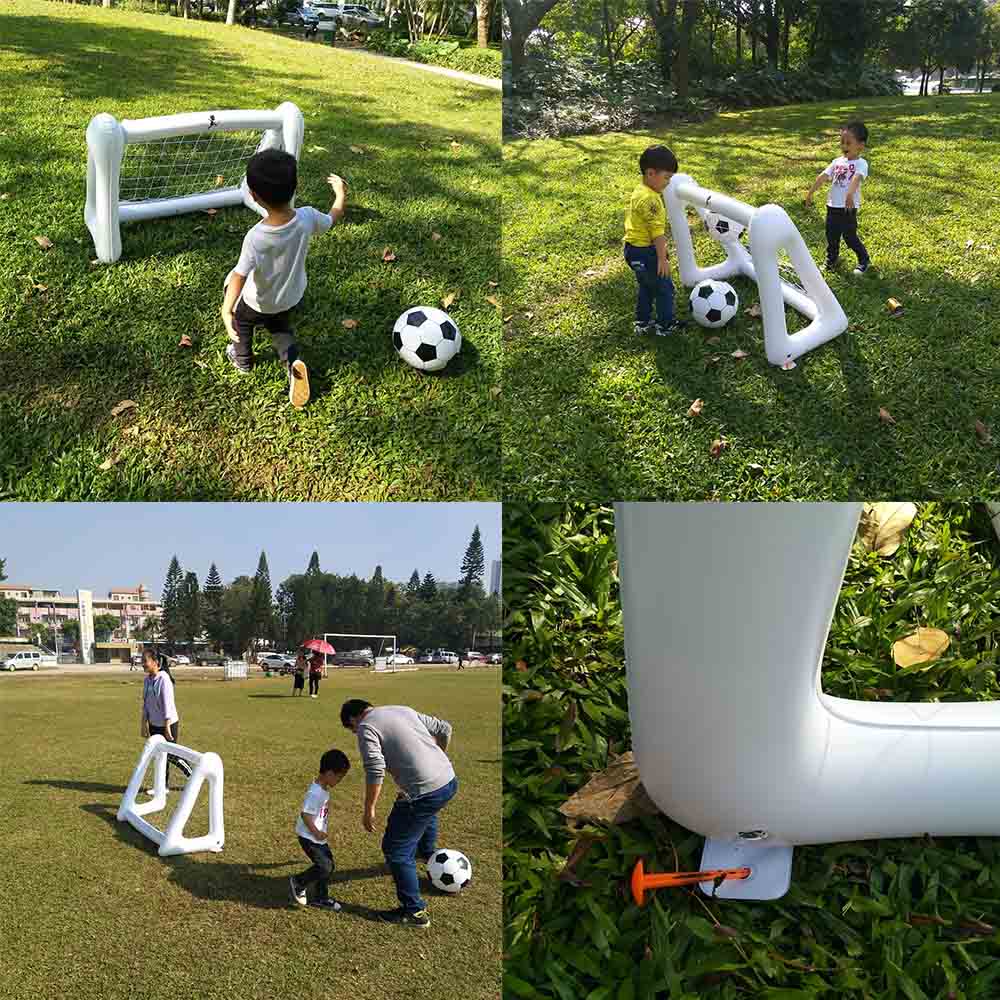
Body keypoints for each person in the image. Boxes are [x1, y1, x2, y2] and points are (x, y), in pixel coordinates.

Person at [220, 148, 348, 408]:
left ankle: (242, 359)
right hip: (289, 297)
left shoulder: (256, 237)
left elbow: (238, 276)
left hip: (257, 303)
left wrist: (227, 309)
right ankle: (293, 364)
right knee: (280, 328)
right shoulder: (308, 217)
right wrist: (340, 194)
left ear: (254, 196)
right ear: (295, 186)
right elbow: (332, 218)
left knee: (242, 323)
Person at [340, 698, 458, 928]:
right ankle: (427, 854)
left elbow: (375, 768)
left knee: (395, 850)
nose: (355, 733)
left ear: (354, 719)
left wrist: (369, 809)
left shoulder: (366, 727)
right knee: (424, 813)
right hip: (449, 780)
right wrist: (436, 760)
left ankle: (413, 912)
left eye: (351, 729)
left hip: (425, 793)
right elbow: (445, 728)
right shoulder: (402, 709)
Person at [624, 145, 686, 337]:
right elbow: (657, 235)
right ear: (651, 173)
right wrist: (662, 259)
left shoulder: (639, 190)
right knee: (664, 289)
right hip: (648, 252)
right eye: (666, 177)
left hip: (632, 250)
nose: (668, 183)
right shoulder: (652, 201)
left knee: (646, 286)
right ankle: (665, 326)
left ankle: (642, 322)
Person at [805, 120, 871, 277]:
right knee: (831, 235)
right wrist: (810, 192)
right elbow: (823, 176)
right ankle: (831, 260)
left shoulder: (861, 163)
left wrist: (849, 195)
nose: (844, 146)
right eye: (842, 142)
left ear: (860, 145)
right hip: (832, 206)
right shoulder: (837, 162)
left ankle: (864, 259)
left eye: (848, 143)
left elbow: (856, 179)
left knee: (849, 237)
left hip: (848, 207)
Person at [289, 749, 349, 911]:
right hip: (309, 837)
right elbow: (305, 815)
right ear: (329, 773)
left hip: (318, 837)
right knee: (324, 867)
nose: (340, 780)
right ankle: (298, 881)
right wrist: (316, 832)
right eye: (339, 777)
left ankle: (321, 898)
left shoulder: (322, 789)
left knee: (329, 866)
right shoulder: (315, 793)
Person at [140, 648, 192, 788]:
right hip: (154, 725)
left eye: (145, 661)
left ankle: (192, 775)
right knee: (159, 756)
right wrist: (143, 725)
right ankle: (162, 787)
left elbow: (168, 704)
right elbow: (145, 704)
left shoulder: (164, 679)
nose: (142, 664)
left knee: (171, 755)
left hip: (168, 724)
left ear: (155, 662)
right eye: (141, 661)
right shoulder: (147, 680)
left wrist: (167, 726)